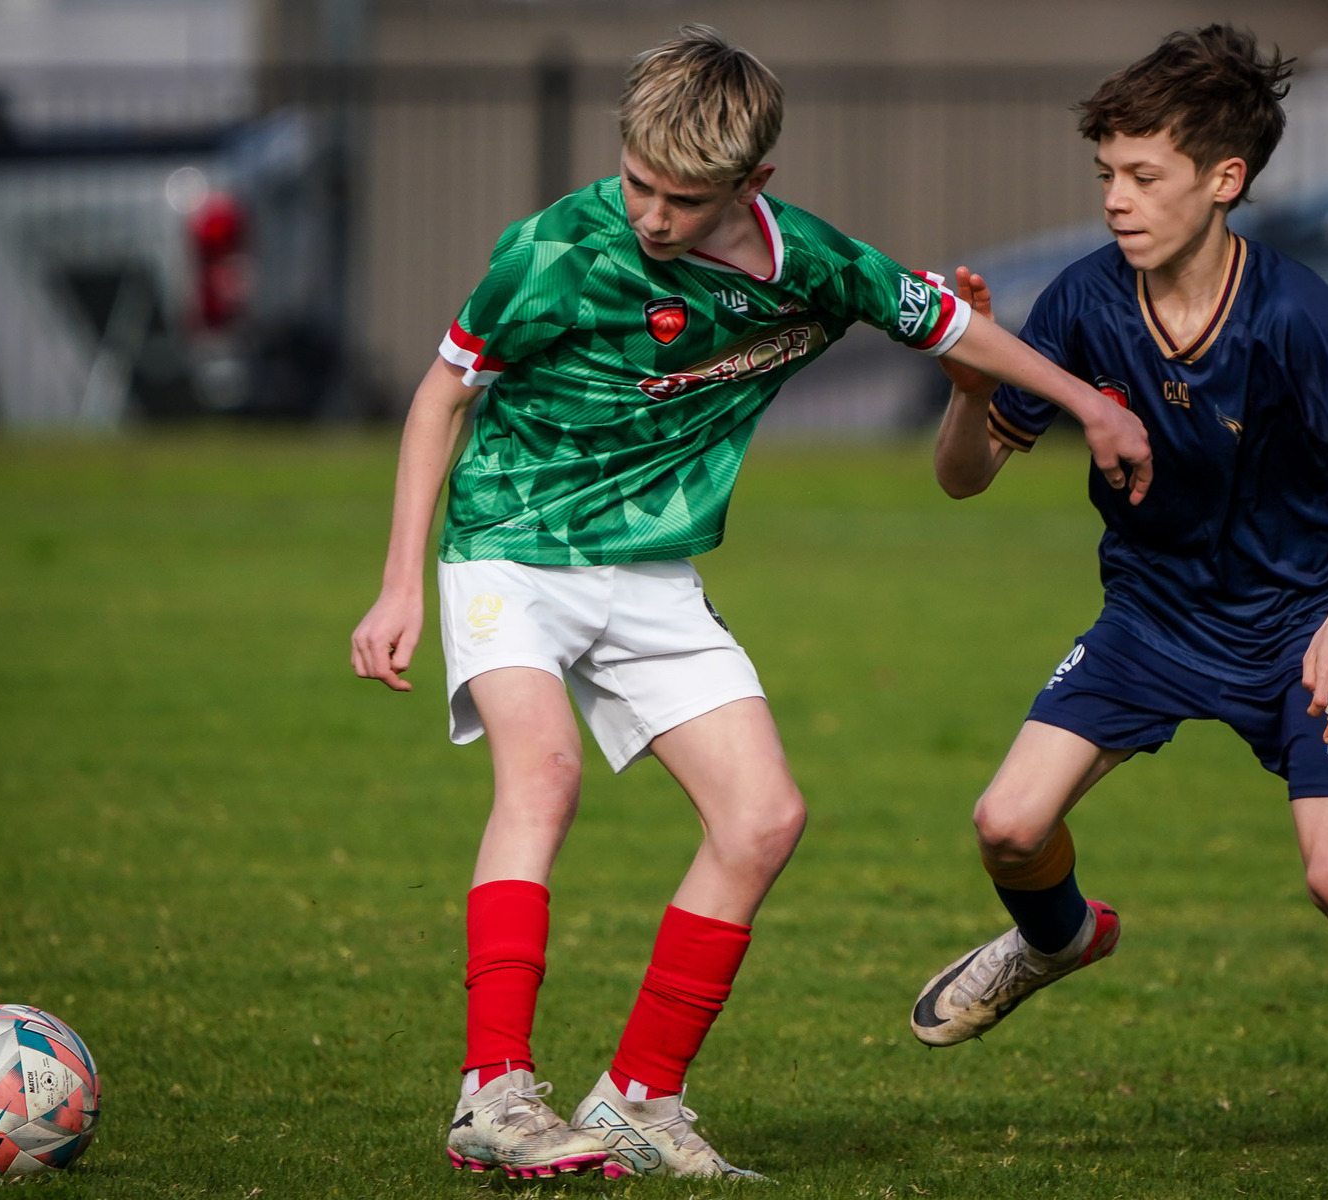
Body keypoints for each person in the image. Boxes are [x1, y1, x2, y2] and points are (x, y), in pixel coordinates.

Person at [350, 24, 1152, 1182]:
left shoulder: (812, 264)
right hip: (512, 546)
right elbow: (439, 397)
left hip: (651, 572)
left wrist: (1094, 406)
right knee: (546, 775)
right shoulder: (552, 251)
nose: (649, 216)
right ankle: (494, 1095)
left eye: (682, 198)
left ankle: (638, 1098)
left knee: (763, 816)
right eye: (636, 183)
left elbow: (944, 320)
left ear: (752, 185)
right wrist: (397, 584)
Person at [910, 25, 1328, 1182]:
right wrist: (967, 389)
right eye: (1104, 173)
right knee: (1005, 825)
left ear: (1222, 181)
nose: (1115, 199)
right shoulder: (1080, 302)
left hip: (1303, 626)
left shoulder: (1292, 313)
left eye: (1142, 176)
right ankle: (1056, 942)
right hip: (1150, 621)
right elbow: (965, 476)